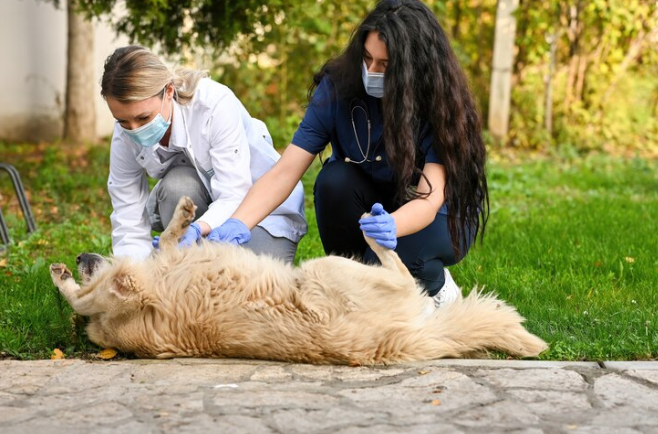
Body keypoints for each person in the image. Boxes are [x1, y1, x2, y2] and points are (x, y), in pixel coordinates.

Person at [209, 0, 489, 307]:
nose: (371, 71)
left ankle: (437, 288)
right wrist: (237, 223)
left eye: (385, 65)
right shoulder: (337, 89)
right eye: (367, 58)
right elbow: (284, 172)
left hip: (438, 213)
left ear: (413, 68)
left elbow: (429, 200)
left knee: (381, 265)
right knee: (334, 181)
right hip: (376, 200)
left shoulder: (438, 104)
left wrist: (393, 225)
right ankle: (360, 283)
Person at [101, 45, 307, 263]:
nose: (134, 129)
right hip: (204, 200)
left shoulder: (214, 104)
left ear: (168, 91)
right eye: (123, 121)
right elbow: (127, 209)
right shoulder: (125, 131)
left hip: (261, 211)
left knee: (250, 284)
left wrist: (199, 230)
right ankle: (185, 263)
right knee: (177, 186)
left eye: (143, 118)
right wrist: (132, 274)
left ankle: (193, 259)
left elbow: (233, 192)